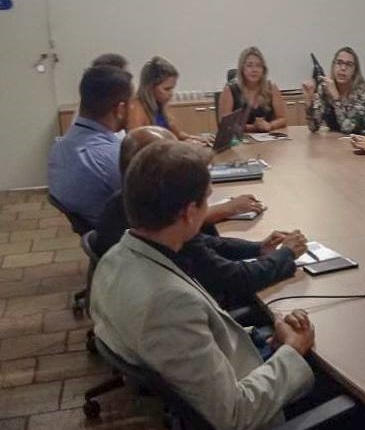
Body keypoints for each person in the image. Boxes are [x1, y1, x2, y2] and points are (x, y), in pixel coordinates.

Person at [90, 140, 315, 430]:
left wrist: (264, 338)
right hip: (256, 409)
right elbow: (235, 414)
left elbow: (197, 342)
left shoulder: (117, 256)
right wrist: (292, 351)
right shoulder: (168, 302)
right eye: (206, 200)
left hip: (226, 371)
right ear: (188, 213)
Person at [93, 126, 306, 310]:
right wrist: (286, 254)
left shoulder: (136, 210)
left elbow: (207, 242)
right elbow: (234, 279)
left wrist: (258, 248)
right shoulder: (166, 232)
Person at [48, 65, 132, 225]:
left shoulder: (59, 148)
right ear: (120, 109)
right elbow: (149, 206)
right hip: (120, 233)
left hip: (94, 228)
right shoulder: (114, 157)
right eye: (131, 103)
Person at [127, 56, 206, 142]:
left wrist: (196, 139)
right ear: (150, 87)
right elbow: (138, 144)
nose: (171, 93)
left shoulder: (159, 105)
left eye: (172, 88)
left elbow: (177, 135)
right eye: (167, 89)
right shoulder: (136, 109)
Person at [302, 47, 365, 136]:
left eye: (349, 64)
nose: (343, 68)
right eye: (339, 63)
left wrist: (336, 98)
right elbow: (313, 127)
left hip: (361, 140)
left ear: (355, 71)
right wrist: (309, 102)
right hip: (335, 140)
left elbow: (348, 129)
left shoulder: (364, 93)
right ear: (333, 66)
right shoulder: (325, 88)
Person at [219, 47, 288, 132]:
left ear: (263, 69)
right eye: (249, 65)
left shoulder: (271, 87)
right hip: (240, 138)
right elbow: (225, 123)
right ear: (242, 68)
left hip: (267, 137)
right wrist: (254, 127)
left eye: (258, 66)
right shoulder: (230, 89)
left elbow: (282, 119)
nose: (254, 70)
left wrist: (270, 125)